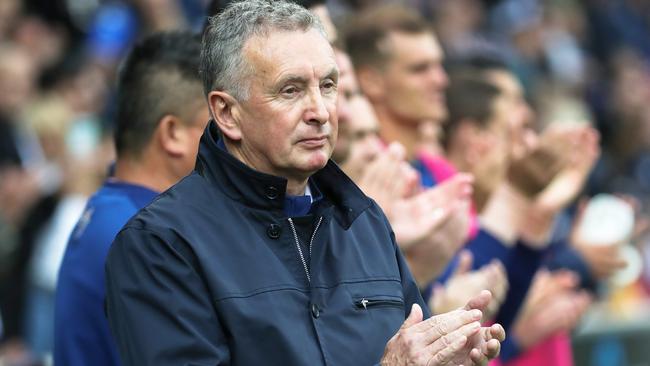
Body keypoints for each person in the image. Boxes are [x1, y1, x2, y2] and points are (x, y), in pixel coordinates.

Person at [105, 1, 505, 365]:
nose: (320, 111)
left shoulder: (366, 222)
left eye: (328, 86)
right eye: (291, 90)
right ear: (226, 113)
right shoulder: (160, 244)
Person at [54, 31, 209, 366]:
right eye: (218, 125)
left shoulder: (114, 214)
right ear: (173, 134)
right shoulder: (144, 236)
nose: (234, 142)